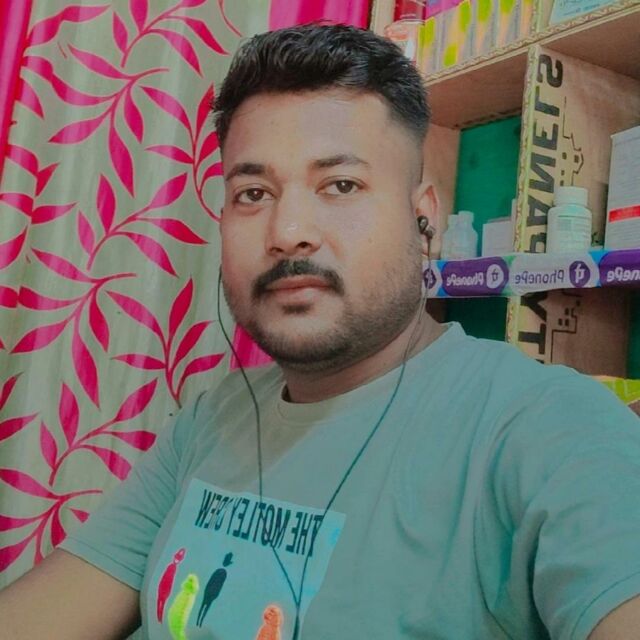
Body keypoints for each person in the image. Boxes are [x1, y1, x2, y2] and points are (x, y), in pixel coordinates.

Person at [1, 23, 640, 640]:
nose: (288, 232)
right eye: (253, 193)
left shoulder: (551, 430)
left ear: (423, 220)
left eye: (340, 184)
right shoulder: (213, 419)